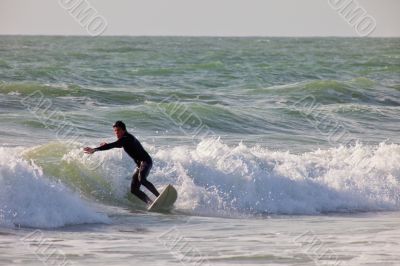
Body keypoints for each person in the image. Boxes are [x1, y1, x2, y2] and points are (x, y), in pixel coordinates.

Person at [83, 121, 159, 204]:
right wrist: (106, 145)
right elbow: (118, 144)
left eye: (118, 130)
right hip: (140, 165)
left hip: (146, 161)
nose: (116, 133)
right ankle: (150, 202)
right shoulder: (124, 140)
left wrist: (95, 149)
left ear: (124, 130)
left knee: (142, 180)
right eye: (115, 131)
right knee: (134, 190)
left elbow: (114, 145)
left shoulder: (127, 138)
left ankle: (159, 196)